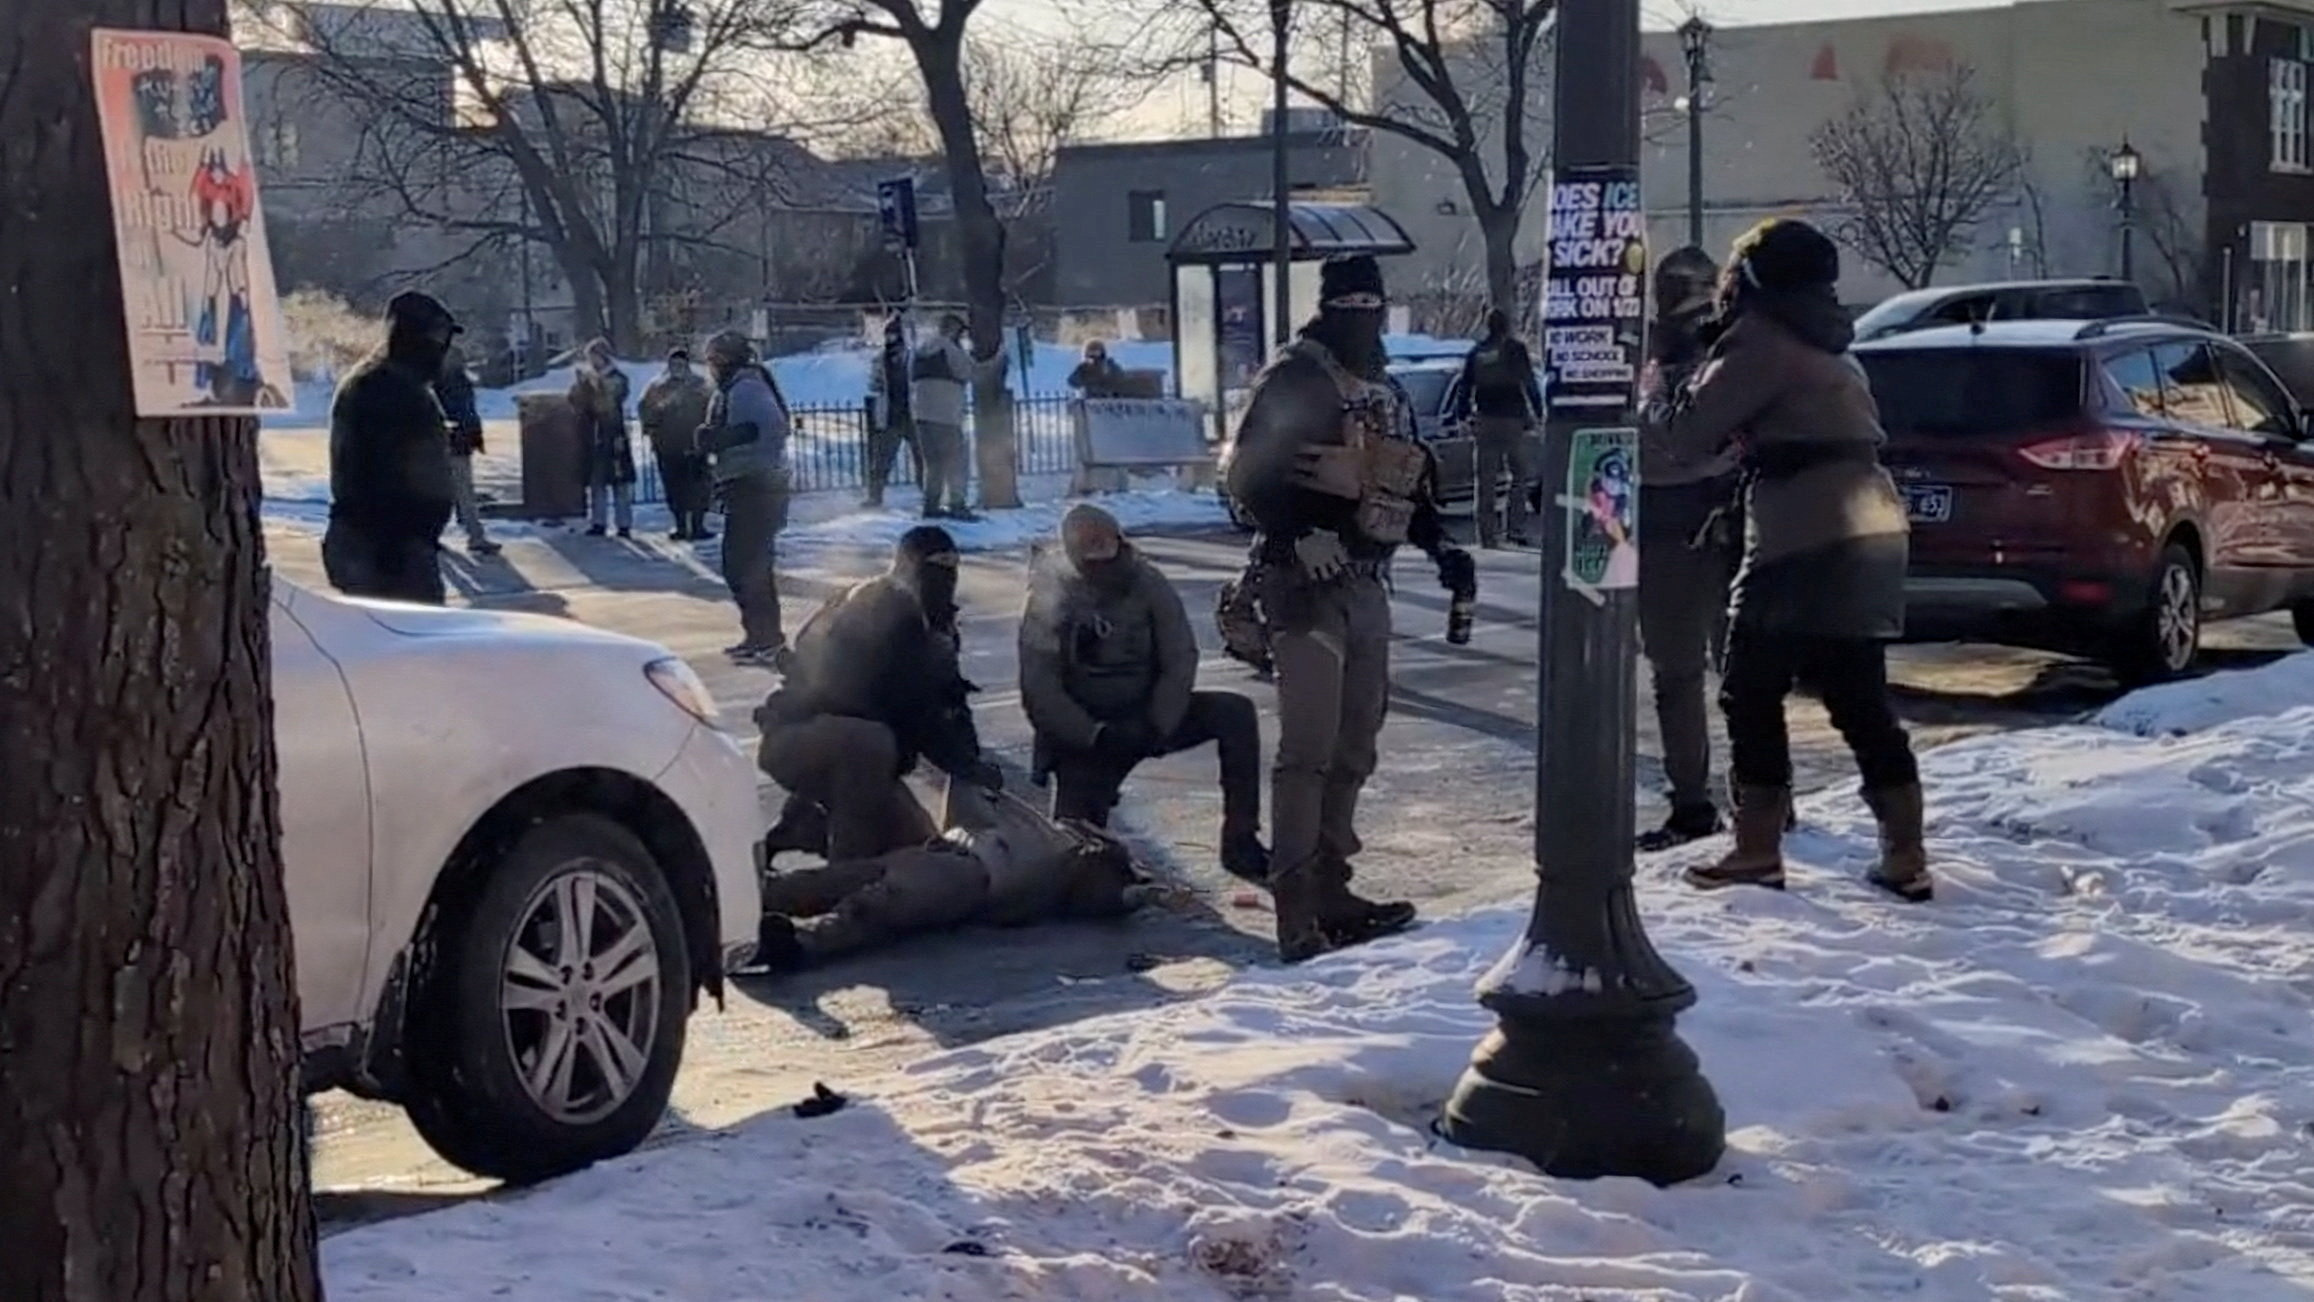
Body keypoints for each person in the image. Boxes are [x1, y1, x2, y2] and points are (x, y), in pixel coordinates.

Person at [1655, 218, 1931, 903]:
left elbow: (1687, 437)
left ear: (1750, 279)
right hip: (1869, 520)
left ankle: (1756, 848)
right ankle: (1905, 851)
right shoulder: (1831, 336)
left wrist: (1671, 374)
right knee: (1856, 693)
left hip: (1805, 527)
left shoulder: (1760, 340)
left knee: (1748, 687)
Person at [1226, 254, 1472, 962]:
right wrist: (1293, 531)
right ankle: (1296, 909)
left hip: (1367, 580)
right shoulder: (1297, 377)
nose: (1363, 314)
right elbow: (1246, 474)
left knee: (1355, 743)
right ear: (1330, 306)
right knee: (1307, 749)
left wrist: (1440, 547)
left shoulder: (1384, 386)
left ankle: (1333, 887)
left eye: (1373, 302)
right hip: (1300, 585)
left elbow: (1399, 485)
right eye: (1351, 302)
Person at [1020, 504, 1270, 883]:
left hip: (1146, 715)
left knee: (1234, 712)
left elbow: (1180, 655)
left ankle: (1241, 841)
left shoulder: (1146, 581)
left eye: (1107, 545)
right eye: (1088, 549)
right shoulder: (1049, 597)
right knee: (1077, 857)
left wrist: (1157, 722)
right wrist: (1092, 734)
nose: (1101, 557)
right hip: (1087, 733)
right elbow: (1041, 689)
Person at [753, 526, 1003, 864]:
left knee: (919, 847)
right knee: (866, 746)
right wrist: (963, 763)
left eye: (950, 566)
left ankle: (803, 826)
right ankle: (845, 876)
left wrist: (971, 761)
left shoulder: (929, 620)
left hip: (839, 749)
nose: (943, 577)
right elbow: (917, 709)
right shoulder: (881, 610)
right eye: (933, 566)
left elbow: (948, 700)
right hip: (802, 740)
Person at [752, 784, 1158, 972]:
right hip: (937, 852)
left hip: (967, 877)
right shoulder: (1040, 835)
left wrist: (1135, 886)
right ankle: (752, 899)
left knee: (874, 905)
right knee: (834, 882)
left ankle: (798, 945)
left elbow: (1110, 896)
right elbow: (964, 792)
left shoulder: (1061, 871)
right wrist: (978, 777)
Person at [1635, 246, 1740, 851]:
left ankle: (1759, 797)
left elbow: (1705, 435)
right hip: (1661, 520)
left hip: (1720, 514)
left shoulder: (1733, 348)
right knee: (1676, 673)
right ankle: (1694, 804)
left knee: (1739, 672)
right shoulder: (1646, 351)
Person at [322, 291, 459, 604]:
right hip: (385, 549)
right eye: (437, 338)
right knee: (410, 642)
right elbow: (380, 475)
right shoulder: (386, 387)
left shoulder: (391, 382)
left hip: (383, 545)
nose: (443, 349)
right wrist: (398, 545)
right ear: (412, 337)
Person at [698, 331, 793, 665]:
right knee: (741, 565)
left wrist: (724, 438)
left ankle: (768, 639)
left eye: (714, 360)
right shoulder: (734, 387)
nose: (710, 367)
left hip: (759, 486)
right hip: (746, 484)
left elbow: (773, 426)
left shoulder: (748, 386)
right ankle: (758, 635)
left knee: (748, 565)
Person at [1454, 309, 1543, 548]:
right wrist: (1538, 412)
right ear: (1506, 326)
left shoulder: (1477, 352)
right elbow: (1529, 383)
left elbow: (1464, 387)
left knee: (1485, 481)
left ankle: (1487, 535)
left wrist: (1462, 416)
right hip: (1513, 421)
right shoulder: (1516, 350)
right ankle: (1515, 529)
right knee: (1519, 477)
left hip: (1484, 421)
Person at [640, 347, 715, 541]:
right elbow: (646, 411)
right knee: (674, 488)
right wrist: (652, 431)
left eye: (681, 363)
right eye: (674, 364)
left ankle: (698, 525)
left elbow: (713, 410)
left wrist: (711, 435)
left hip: (696, 446)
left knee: (699, 488)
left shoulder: (701, 386)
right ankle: (681, 526)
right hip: (668, 447)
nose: (678, 367)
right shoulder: (658, 387)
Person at [910, 313, 979, 522]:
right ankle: (957, 504)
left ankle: (931, 504)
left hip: (921, 414)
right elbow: (967, 371)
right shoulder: (949, 348)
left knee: (933, 464)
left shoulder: (920, 350)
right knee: (955, 461)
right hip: (946, 414)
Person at [434, 339, 500, 557]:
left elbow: (467, 412)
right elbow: (465, 412)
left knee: (455, 491)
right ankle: (474, 536)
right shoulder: (448, 383)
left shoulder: (446, 382)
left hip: (453, 441)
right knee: (459, 491)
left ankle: (470, 535)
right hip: (450, 441)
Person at [568, 339, 636, 538]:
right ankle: (598, 521)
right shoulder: (588, 378)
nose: (592, 361)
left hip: (613, 434)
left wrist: (595, 386)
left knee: (619, 481)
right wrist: (580, 387)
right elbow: (577, 403)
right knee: (596, 480)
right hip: (593, 434)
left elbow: (610, 401)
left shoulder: (617, 378)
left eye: (594, 356)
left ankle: (624, 523)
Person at [865, 316, 919, 509]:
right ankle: (875, 496)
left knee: (921, 459)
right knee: (882, 460)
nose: (890, 339)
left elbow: (917, 383)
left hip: (912, 414)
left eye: (894, 335)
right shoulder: (880, 360)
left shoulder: (913, 357)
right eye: (888, 335)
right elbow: (873, 384)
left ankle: (929, 495)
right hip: (890, 416)